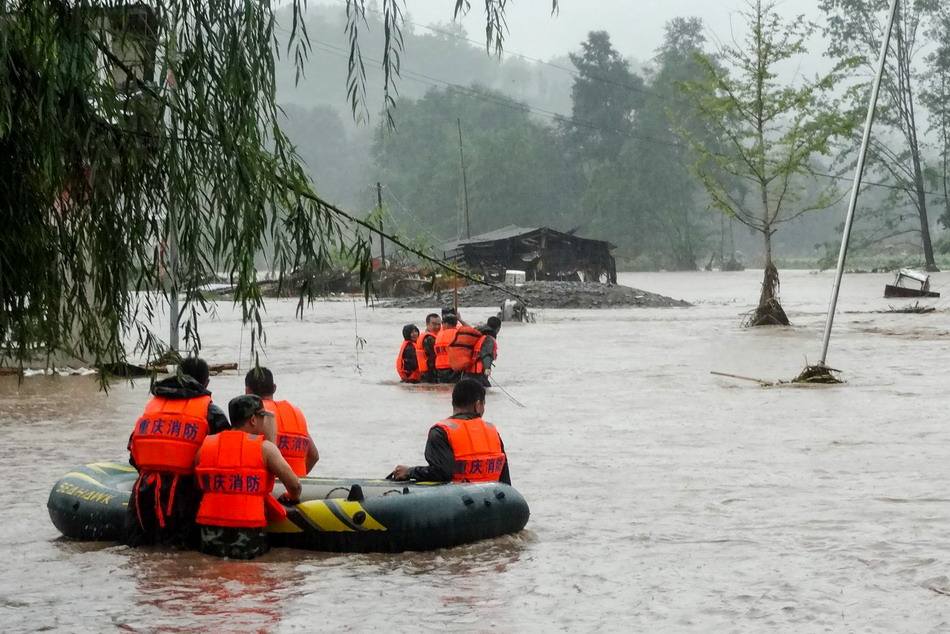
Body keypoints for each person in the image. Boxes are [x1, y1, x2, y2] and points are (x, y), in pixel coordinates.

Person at [125, 356, 230, 548]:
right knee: (181, 560)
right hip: (184, 498)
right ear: (206, 382)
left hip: (143, 495)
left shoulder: (153, 408)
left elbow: (134, 454)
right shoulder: (211, 412)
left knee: (142, 559)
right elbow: (224, 459)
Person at [195, 395, 302, 560]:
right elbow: (295, 485)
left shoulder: (206, 446)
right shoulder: (266, 449)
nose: (265, 422)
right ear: (253, 420)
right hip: (247, 536)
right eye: (263, 418)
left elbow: (199, 481)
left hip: (209, 536)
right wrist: (291, 498)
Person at [391, 379, 511, 484]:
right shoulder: (492, 431)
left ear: (453, 402)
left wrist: (409, 472)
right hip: (494, 500)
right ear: (478, 405)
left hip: (458, 501)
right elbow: (505, 480)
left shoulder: (441, 432)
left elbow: (442, 473)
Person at [245, 367, 319, 476]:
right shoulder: (296, 413)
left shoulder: (253, 414)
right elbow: (314, 456)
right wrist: (293, 481)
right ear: (274, 388)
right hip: (297, 486)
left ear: (247, 391)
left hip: (267, 488)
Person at [464, 316, 501, 388]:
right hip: (478, 374)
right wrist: (487, 369)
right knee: (486, 392)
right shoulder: (489, 339)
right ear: (498, 328)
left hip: (468, 372)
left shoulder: (479, 334)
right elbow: (486, 354)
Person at [415, 313, 441, 383]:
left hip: (425, 374)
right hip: (430, 375)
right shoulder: (429, 339)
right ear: (427, 324)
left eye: (439, 324)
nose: (437, 326)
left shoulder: (433, 336)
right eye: (434, 324)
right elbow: (433, 358)